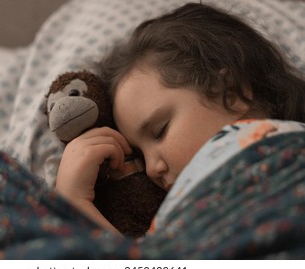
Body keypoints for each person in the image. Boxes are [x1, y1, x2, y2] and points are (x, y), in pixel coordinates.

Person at [55, 3, 305, 235]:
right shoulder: (181, 213)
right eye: (140, 156)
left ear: (231, 91)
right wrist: (75, 201)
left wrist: (72, 204)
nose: (152, 169)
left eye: (160, 130)